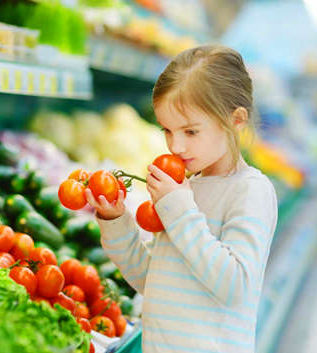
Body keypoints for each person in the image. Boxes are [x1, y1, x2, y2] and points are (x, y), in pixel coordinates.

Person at [84, 45, 278, 353]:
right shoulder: (185, 189)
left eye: (190, 131)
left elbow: (235, 286)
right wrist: (116, 221)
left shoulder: (250, 190)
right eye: (167, 130)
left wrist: (179, 209)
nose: (176, 146)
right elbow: (154, 280)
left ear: (236, 120)